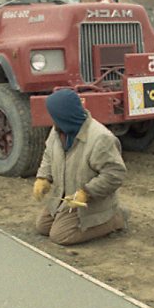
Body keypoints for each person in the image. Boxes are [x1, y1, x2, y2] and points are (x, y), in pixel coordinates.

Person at [32, 88, 128, 245]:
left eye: (54, 115)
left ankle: (115, 219)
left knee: (60, 236)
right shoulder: (58, 130)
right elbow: (49, 155)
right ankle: (66, 215)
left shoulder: (100, 138)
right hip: (66, 197)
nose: (52, 119)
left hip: (90, 201)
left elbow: (114, 174)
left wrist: (86, 193)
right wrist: (43, 178)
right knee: (42, 227)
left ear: (65, 115)